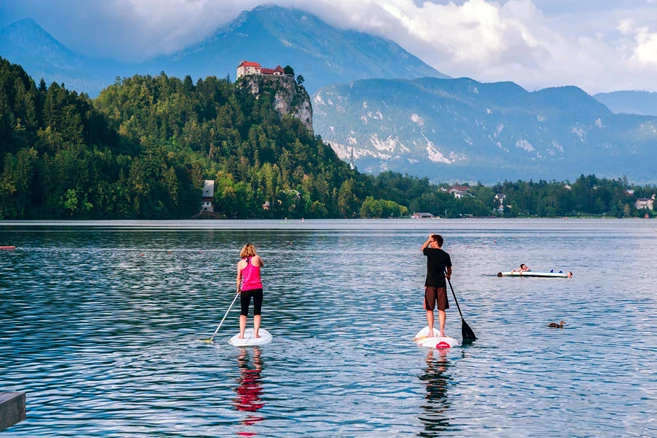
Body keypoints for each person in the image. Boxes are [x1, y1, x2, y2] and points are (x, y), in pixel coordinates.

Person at [421, 234, 452, 338]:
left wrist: (428, 239)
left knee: (429, 309)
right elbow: (449, 269)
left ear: (435, 243)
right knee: (441, 309)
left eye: (432, 242)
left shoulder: (430, 252)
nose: (430, 244)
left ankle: (431, 332)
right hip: (441, 284)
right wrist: (448, 276)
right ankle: (442, 332)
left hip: (430, 284)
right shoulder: (446, 255)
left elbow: (422, 248)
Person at [236, 243, 265, 339]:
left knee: (243, 312)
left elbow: (239, 279)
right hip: (257, 288)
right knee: (257, 311)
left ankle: (241, 335)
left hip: (245, 289)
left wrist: (238, 289)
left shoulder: (240, 263)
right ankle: (256, 334)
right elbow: (262, 264)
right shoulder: (257, 258)